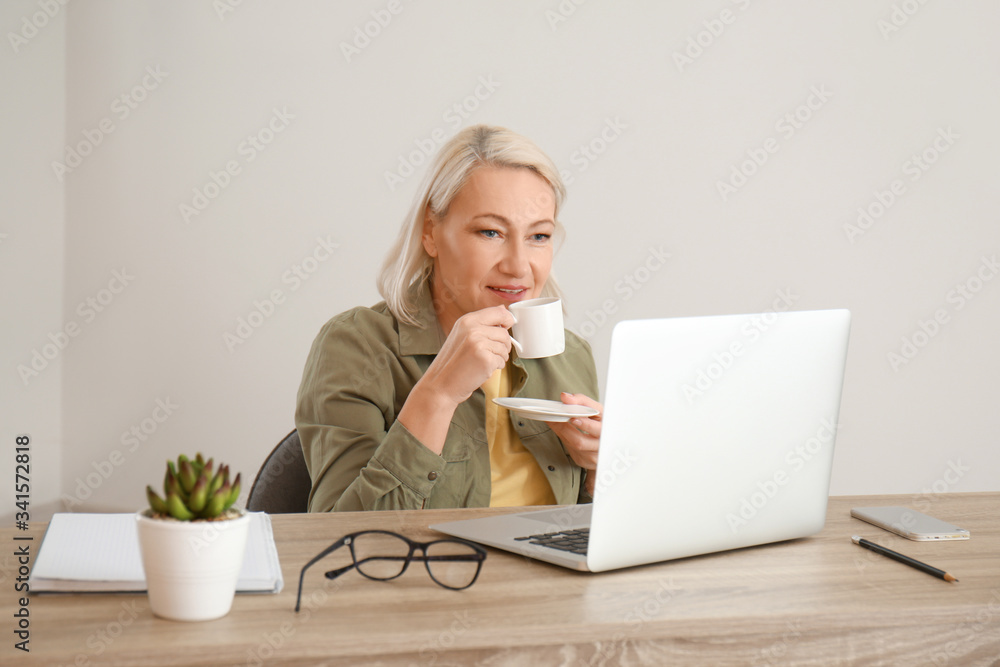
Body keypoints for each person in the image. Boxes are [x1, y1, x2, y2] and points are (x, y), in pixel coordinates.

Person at [295, 124, 604, 512]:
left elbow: (584, 528)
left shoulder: (571, 355)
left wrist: (598, 471)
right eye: (490, 232)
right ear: (431, 232)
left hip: (541, 573)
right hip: (426, 573)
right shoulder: (356, 347)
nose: (518, 266)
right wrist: (439, 393)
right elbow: (337, 539)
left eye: (538, 236)